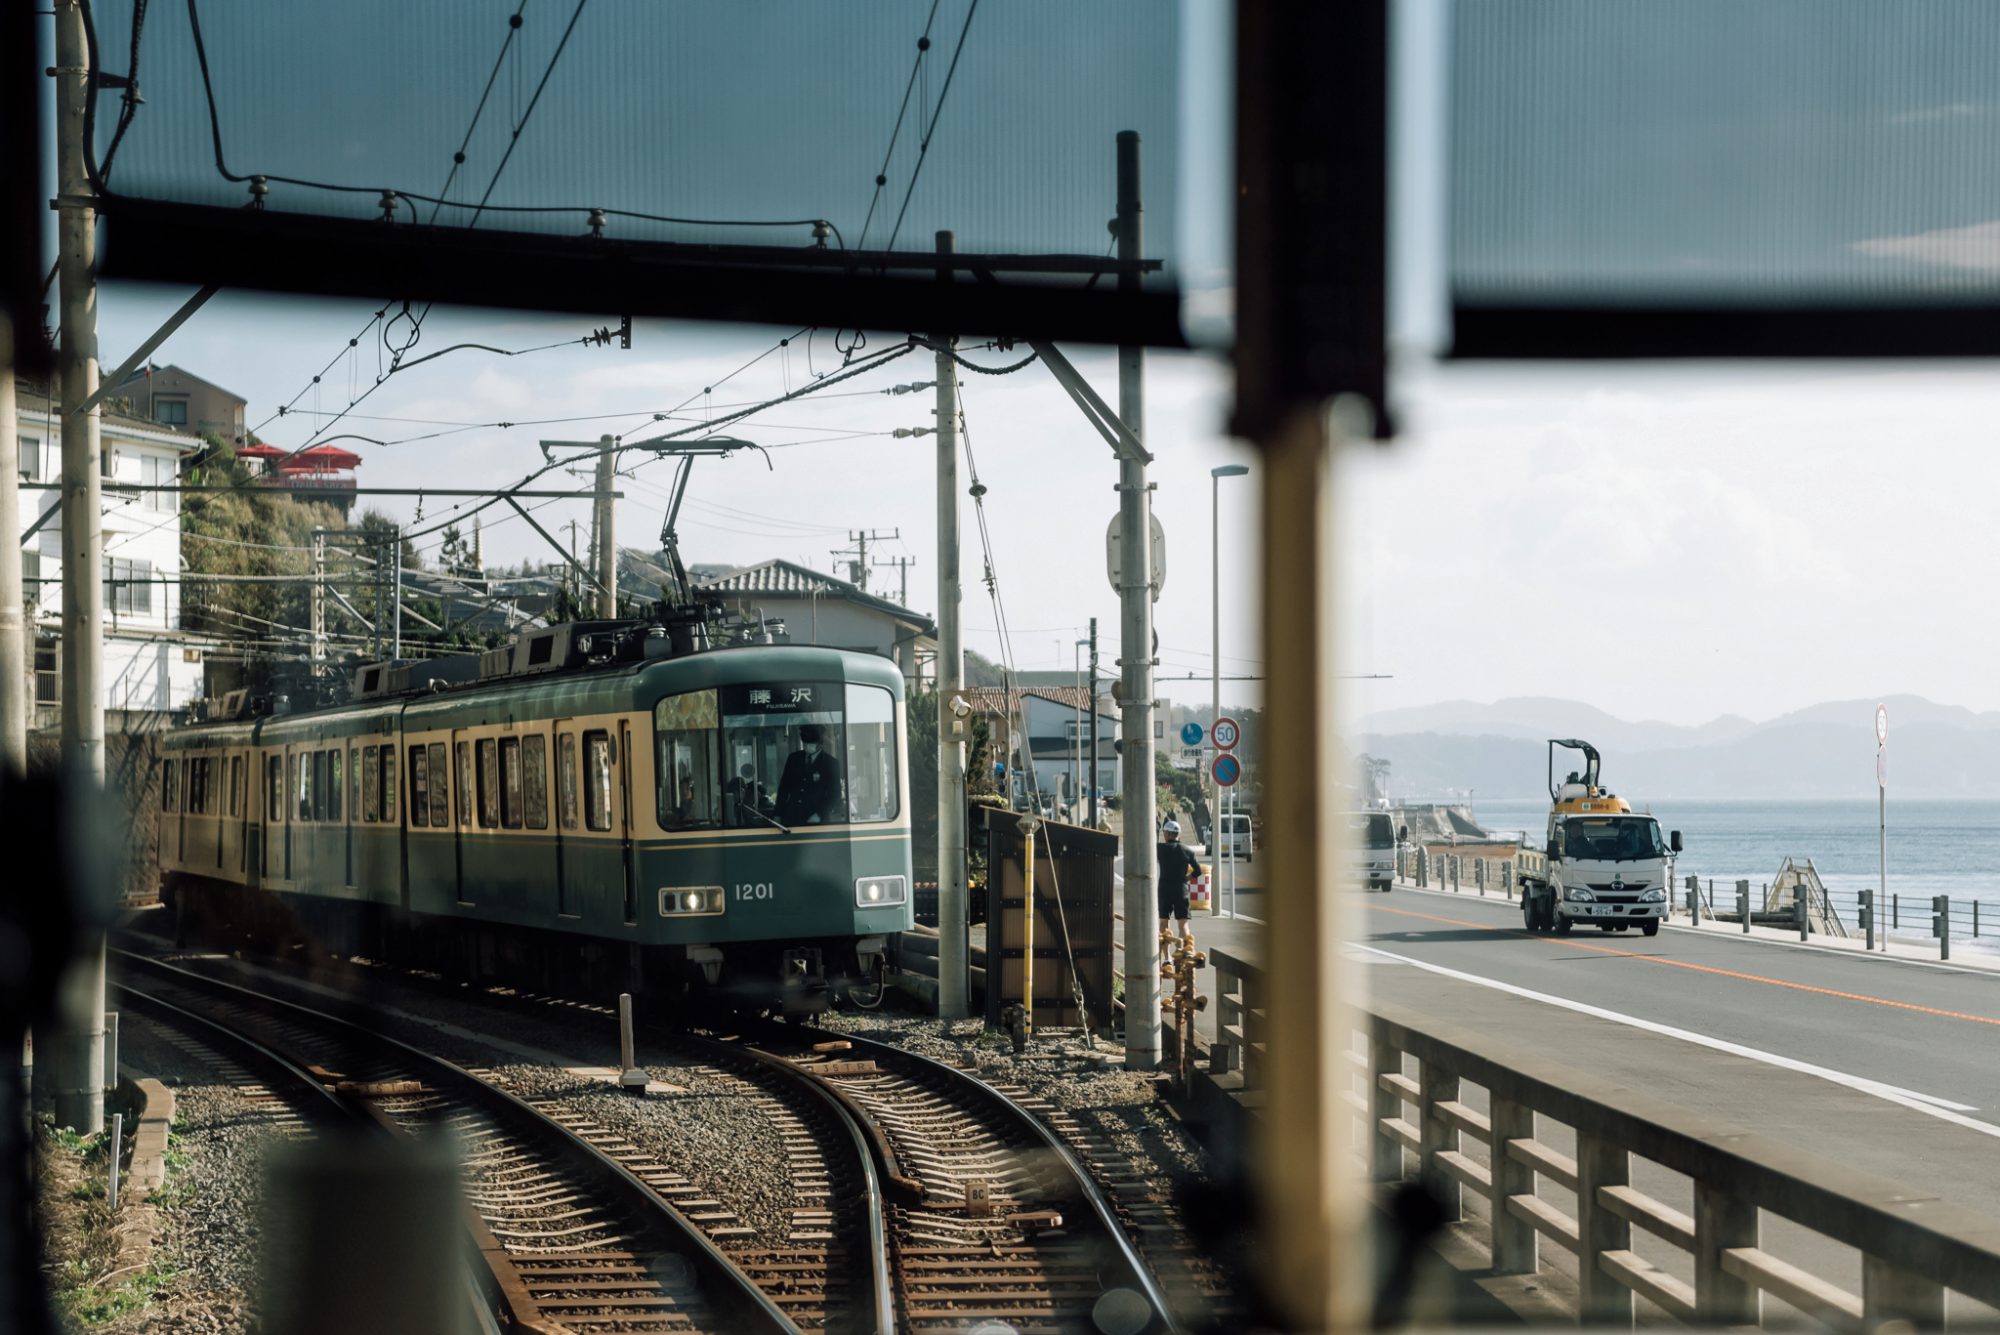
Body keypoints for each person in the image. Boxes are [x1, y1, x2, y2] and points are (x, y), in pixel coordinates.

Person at [777, 724, 842, 825]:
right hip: (792, 817)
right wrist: (778, 813)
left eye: (811, 743)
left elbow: (835, 794)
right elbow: (783, 788)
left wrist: (820, 814)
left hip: (817, 819)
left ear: (820, 744)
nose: (807, 745)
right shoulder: (794, 759)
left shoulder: (831, 763)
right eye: (805, 742)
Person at [1156, 817, 1206, 943]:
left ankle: (1166, 957)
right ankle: (1184, 954)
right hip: (1181, 890)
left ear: (1167, 833)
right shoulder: (1188, 851)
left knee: (1163, 924)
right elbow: (1198, 871)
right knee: (1183, 925)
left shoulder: (1160, 849)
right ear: (1178, 834)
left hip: (1164, 890)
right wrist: (1186, 879)